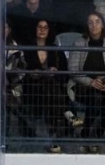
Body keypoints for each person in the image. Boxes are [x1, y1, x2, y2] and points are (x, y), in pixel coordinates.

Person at [66, 12, 105, 153]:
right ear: (87, 25)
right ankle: (87, 134)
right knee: (95, 97)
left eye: (97, 21)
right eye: (90, 22)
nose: (94, 25)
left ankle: (96, 133)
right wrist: (90, 82)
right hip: (82, 85)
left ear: (102, 24)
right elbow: (72, 69)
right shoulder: (79, 43)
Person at [21, 19, 71, 153]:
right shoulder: (27, 48)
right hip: (32, 89)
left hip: (50, 92)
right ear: (35, 29)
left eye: (45, 27)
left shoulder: (55, 50)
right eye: (39, 27)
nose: (42, 30)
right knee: (47, 84)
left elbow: (65, 72)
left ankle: (51, 140)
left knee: (49, 89)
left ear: (49, 31)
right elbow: (20, 70)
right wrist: (33, 73)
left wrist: (55, 72)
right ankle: (66, 111)